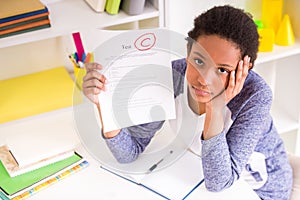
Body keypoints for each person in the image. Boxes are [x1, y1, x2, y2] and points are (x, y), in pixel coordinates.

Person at [82, 5, 292, 200]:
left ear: (244, 70)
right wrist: (104, 104)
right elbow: (130, 152)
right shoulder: (174, 75)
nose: (203, 79)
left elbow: (219, 183)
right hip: (201, 178)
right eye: (199, 61)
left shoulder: (255, 96)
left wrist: (215, 107)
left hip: (261, 189)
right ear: (188, 52)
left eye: (222, 70)